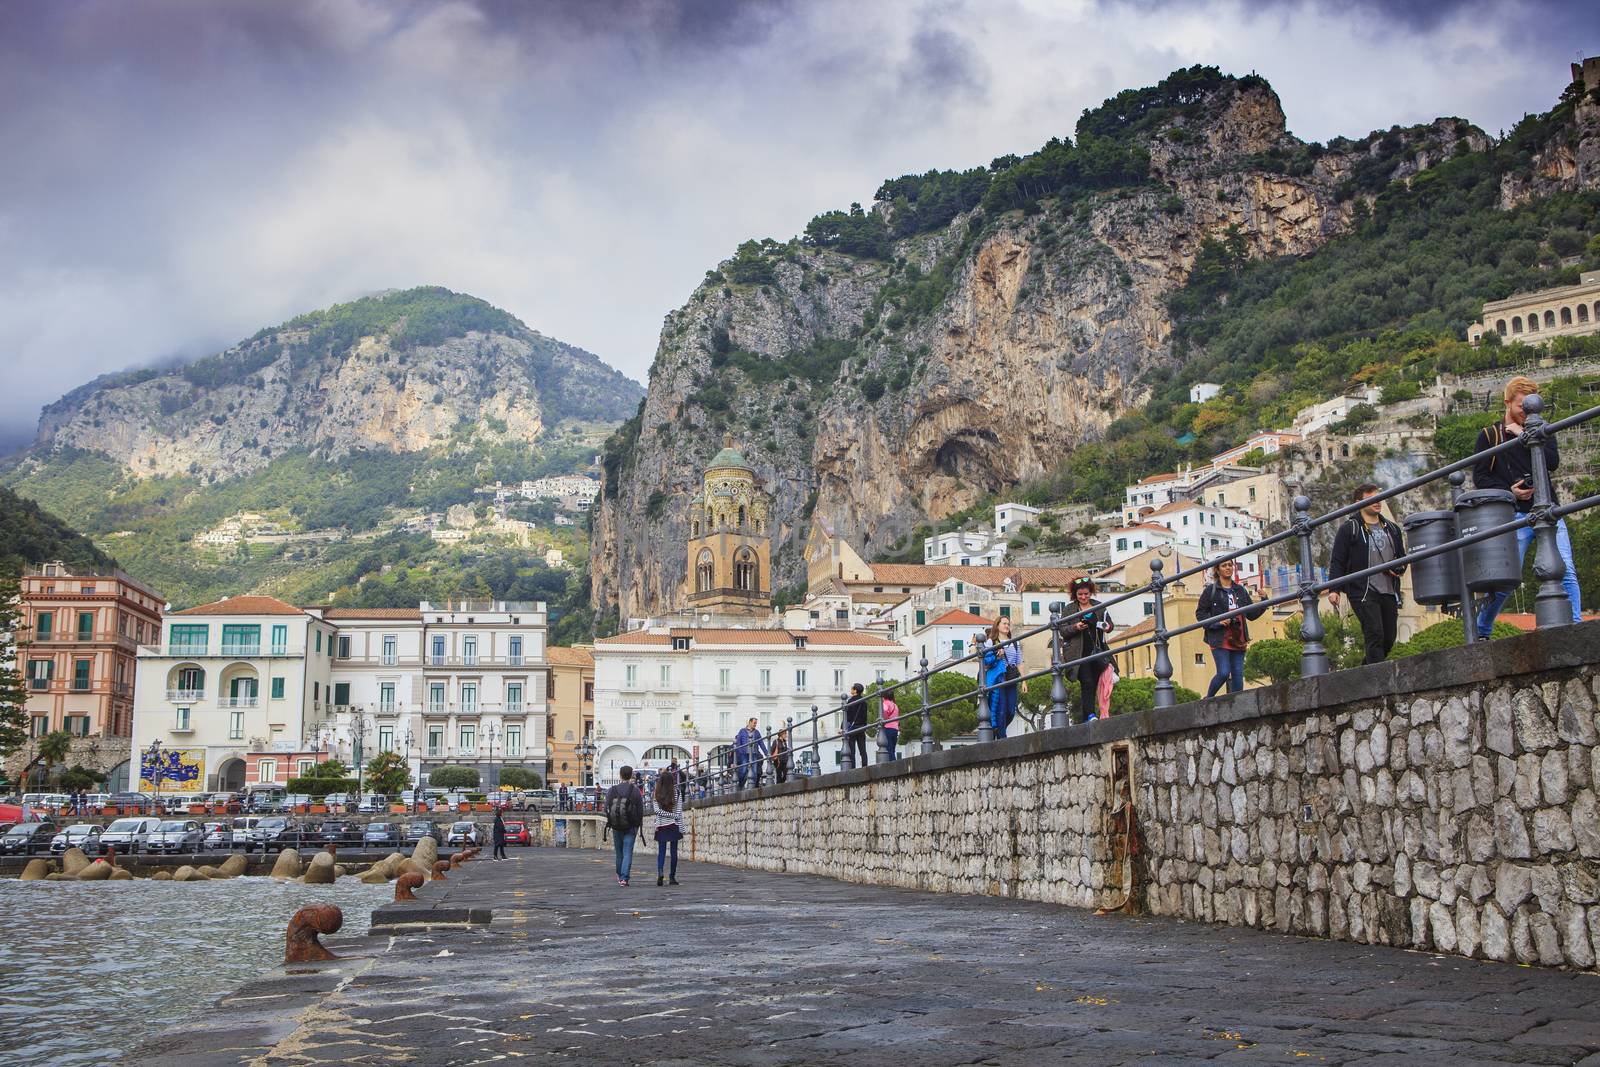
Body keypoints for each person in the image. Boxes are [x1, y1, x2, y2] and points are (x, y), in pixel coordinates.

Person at [1472, 375, 1584, 634]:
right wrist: (1509, 492)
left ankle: (1576, 627)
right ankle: (1482, 631)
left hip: (1548, 509)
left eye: (1532, 405)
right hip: (1511, 515)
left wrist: (1524, 435)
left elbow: (1552, 462)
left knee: (1566, 571)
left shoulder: (1543, 429)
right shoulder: (1490, 435)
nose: (1527, 411)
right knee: (1505, 581)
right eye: (1522, 405)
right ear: (1507, 402)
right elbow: (1480, 476)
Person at [1327, 483, 1408, 665]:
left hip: (1388, 589)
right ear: (1358, 503)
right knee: (1375, 633)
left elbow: (1401, 557)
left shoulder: (1392, 529)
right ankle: (1377, 680)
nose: (1377, 502)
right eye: (1371, 499)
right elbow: (1338, 560)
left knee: (1389, 637)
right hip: (1362, 590)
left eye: (1379, 498)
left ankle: (1365, 671)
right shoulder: (1350, 528)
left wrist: (1398, 569)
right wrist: (1334, 589)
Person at [1195, 559, 1268, 696]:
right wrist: (1216, 623)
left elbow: (1251, 614)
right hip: (1219, 638)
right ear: (1217, 569)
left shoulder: (1240, 590)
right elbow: (1200, 614)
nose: (1228, 568)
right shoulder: (1211, 591)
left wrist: (1264, 601)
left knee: (1238, 677)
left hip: (1238, 637)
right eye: (1224, 566)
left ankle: (1237, 707)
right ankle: (1208, 699)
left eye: (1230, 565)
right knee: (1223, 673)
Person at [1066, 576, 1115, 722]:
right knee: (1087, 681)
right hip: (1078, 654)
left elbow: (1110, 626)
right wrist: (1076, 627)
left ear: (1091, 592)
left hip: (1097, 651)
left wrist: (1097, 623)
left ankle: (1095, 714)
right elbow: (1063, 630)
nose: (1083, 597)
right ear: (1075, 594)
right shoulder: (1069, 609)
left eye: (1086, 594)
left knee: (1096, 682)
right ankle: (1090, 715)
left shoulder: (1099, 606)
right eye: (1080, 594)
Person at [981, 617, 1022, 738]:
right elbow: (986, 661)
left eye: (1008, 624)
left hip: (1012, 677)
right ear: (997, 626)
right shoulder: (991, 642)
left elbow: (1019, 661)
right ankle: (1002, 736)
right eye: (1004, 623)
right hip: (999, 678)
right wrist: (997, 656)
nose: (1007, 626)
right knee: (1002, 708)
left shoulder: (1015, 642)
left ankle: (1000, 730)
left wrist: (1024, 681)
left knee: (1011, 711)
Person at [604, 766, 644, 886]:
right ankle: (624, 878)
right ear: (631, 775)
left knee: (619, 853)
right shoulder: (635, 790)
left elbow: (606, 807)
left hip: (616, 825)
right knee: (627, 852)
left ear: (620, 775)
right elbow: (640, 809)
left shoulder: (612, 790)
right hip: (631, 826)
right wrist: (638, 823)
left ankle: (619, 874)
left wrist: (611, 821)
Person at [653, 772, 685, 887]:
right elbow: (678, 812)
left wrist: (664, 815)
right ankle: (672, 877)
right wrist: (679, 825)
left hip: (661, 825)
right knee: (673, 852)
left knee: (661, 851)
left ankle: (660, 872)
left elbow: (656, 811)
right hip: (674, 825)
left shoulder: (657, 792)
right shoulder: (676, 792)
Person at [733, 718, 770, 789]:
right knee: (743, 771)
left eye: (756, 723)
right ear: (749, 722)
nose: (755, 724)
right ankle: (740, 785)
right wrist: (740, 753)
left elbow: (761, 743)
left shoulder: (757, 732)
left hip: (754, 754)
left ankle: (752, 788)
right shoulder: (742, 731)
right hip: (744, 754)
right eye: (754, 723)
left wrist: (766, 753)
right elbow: (738, 743)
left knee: (754, 772)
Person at [842, 683, 870, 767]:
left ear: (855, 690)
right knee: (863, 750)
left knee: (852, 751)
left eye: (852, 688)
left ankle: (853, 768)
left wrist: (843, 727)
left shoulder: (850, 702)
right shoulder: (864, 701)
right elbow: (865, 716)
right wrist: (864, 726)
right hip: (861, 727)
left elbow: (847, 716)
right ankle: (865, 766)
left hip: (852, 728)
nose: (851, 690)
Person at [878, 692, 901, 759]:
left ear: (884, 696)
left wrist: (883, 720)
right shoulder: (895, 705)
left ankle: (893, 766)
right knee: (892, 749)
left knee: (889, 750)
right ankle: (895, 763)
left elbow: (884, 711)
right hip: (895, 728)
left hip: (888, 727)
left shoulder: (885, 703)